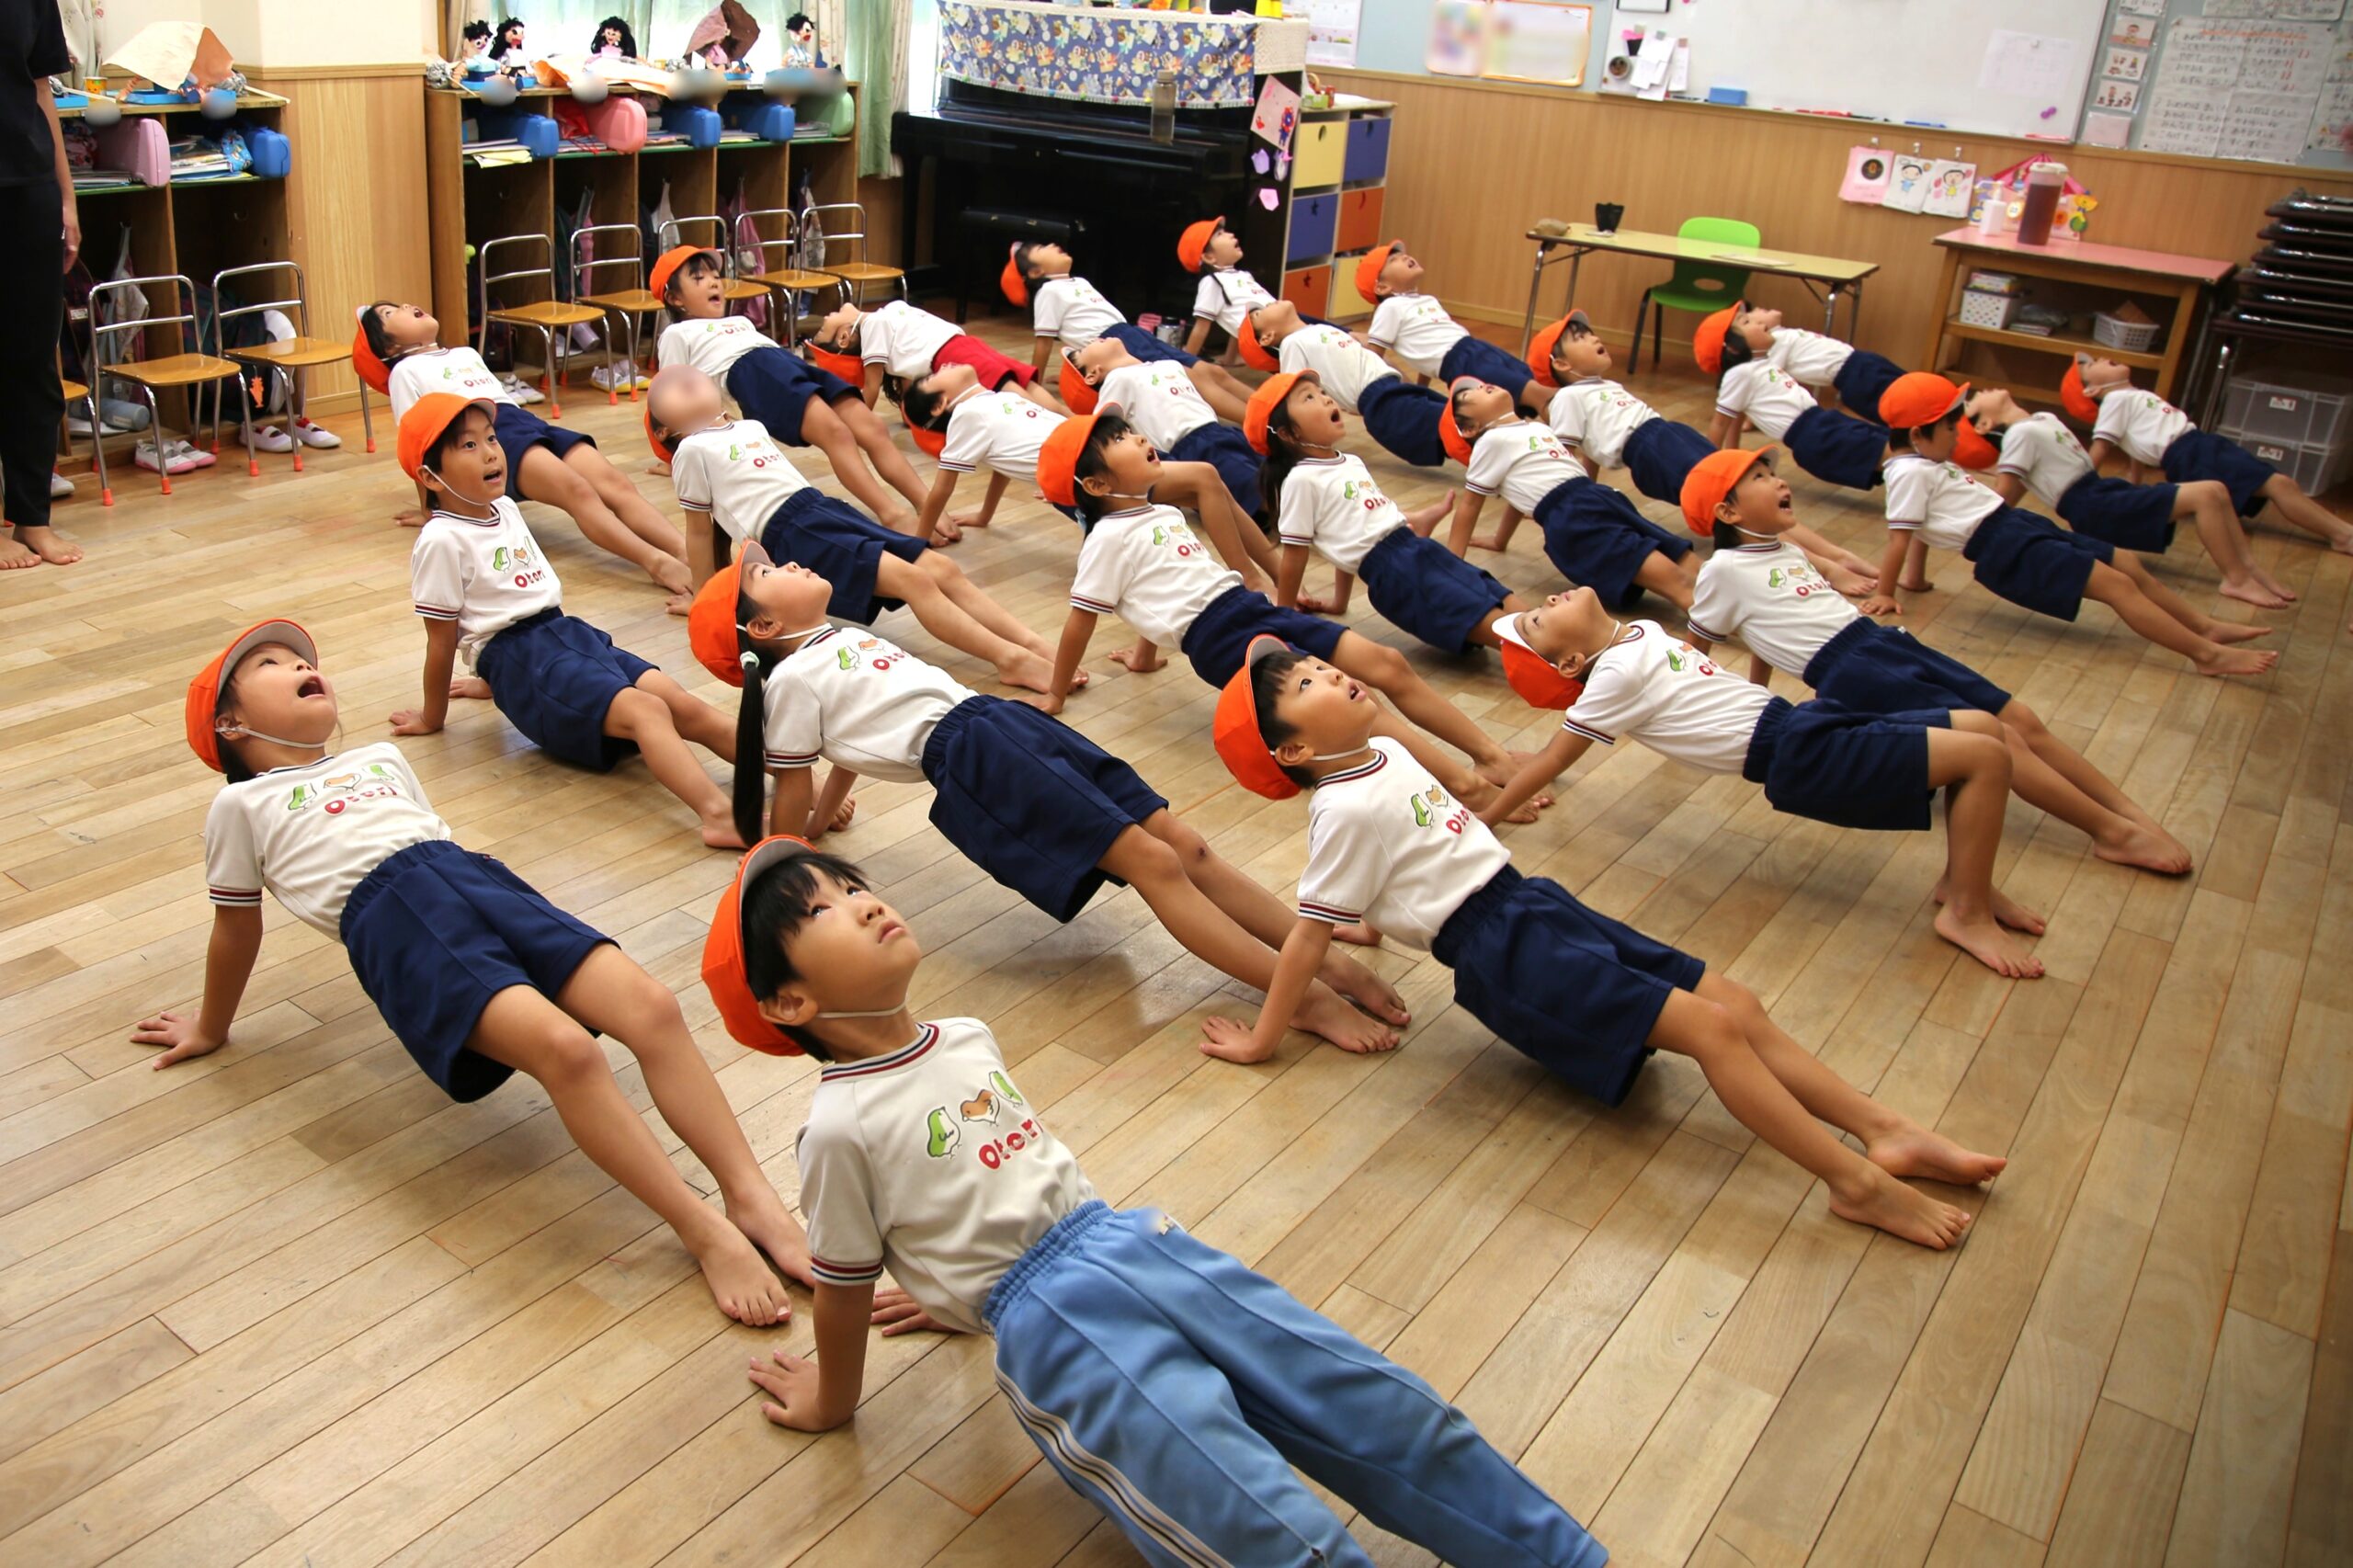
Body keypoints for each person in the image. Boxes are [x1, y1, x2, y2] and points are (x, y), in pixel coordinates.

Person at [700, 836, 1608, 1567]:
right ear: (789, 1002)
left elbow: (985, 1183)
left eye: (852, 884)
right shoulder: (837, 1127)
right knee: (1241, 1507)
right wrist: (837, 1395)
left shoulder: (966, 1035)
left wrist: (950, 1288)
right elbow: (845, 1280)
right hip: (1058, 1328)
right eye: (819, 910)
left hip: (1135, 1244)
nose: (862, 901)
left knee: (1373, 1401)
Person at [1207, 638, 2003, 1245]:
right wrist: (1265, 1038)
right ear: (1295, 753)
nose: (1327, 670)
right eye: (1305, 685)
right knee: (1713, 1029)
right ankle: (1853, 1183)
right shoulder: (1339, 809)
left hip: (1530, 905)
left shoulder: (1381, 753)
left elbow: (1403, 858)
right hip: (1505, 950)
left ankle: (1884, 1130)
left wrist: (1377, 916)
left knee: (1735, 1001)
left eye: (1314, 664)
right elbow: (1308, 937)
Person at [131, 619, 813, 1325]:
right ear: (230, 724)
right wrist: (210, 1027)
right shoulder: (238, 805)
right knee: (568, 1052)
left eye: (303, 658)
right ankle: (702, 1230)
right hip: (395, 918)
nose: (303, 666)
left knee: (653, 1007)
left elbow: (430, 839)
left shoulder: (379, 758)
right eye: (271, 664)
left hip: (474, 878)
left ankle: (751, 1196)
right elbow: (236, 927)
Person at [690, 540, 1414, 1054]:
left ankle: (1322, 963)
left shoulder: (833, 642)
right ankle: (1307, 1001)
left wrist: (823, 819)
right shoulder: (788, 684)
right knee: (1156, 865)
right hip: (975, 755)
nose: (788, 562)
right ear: (763, 628)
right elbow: (797, 778)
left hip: (1000, 721)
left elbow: (844, 750)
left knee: (1186, 846)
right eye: (768, 572)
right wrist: (795, 855)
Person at [1479, 584, 2047, 978]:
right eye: (1538, 622)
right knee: (1984, 758)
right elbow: (1556, 758)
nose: (1545, 601)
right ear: (1571, 664)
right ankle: (1966, 912)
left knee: (1982, 727)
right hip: (1798, 755)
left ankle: (1965, 882)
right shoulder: (1612, 678)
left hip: (1800, 723)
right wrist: (1487, 819)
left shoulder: (1641, 632)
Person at [1680, 446, 2190, 876]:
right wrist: (1709, 704)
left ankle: (2127, 813)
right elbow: (1699, 645)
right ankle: (2110, 832)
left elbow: (1762, 633)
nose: (1779, 481)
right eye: (1760, 479)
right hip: (1854, 670)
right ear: (1728, 513)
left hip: (1884, 644)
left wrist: (1761, 684)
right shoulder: (1721, 571)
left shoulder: (1786, 551)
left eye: (1772, 473)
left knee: (2022, 719)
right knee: (2000, 737)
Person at [1038, 408, 1545, 816]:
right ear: (1096, 485)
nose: (1138, 437)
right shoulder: (1103, 542)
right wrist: (1057, 693)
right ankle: (1465, 788)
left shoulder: (1162, 511)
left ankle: (1491, 758)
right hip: (1221, 638)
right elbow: (1083, 619)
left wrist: (1145, 655)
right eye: (1119, 439)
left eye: (1130, 429)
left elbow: (1156, 590)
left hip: (1249, 610)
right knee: (1355, 699)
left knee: (1388, 663)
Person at [392, 395, 745, 847]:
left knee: (681, 702)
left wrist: (488, 680)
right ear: (429, 477)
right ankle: (717, 815)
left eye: (492, 439)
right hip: (525, 660)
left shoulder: (507, 509)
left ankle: (796, 781)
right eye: (468, 445)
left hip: (567, 635)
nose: (491, 453)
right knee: (648, 710)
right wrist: (432, 716)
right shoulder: (440, 540)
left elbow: (499, 601)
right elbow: (442, 641)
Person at [646, 365, 1072, 694]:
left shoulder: (750, 427)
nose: (683, 377)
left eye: (690, 375)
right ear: (665, 430)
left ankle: (1031, 643)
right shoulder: (690, 451)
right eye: (668, 386)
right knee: (914, 581)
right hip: (792, 530)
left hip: (823, 509)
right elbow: (702, 531)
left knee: (943, 569)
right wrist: (707, 599)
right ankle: (1009, 659)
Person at [1870, 373, 2278, 679]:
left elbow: (1922, 526)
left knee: (2126, 563)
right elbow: (1900, 538)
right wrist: (1886, 593)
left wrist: (1915, 580)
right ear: (1918, 434)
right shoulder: (1908, 473)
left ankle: (2206, 628)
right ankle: (2206, 655)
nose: (1957, 437)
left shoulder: (1926, 464)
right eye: (1949, 428)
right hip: (2006, 547)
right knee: (2117, 587)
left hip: (2017, 525)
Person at [358, 301, 691, 605]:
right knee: (578, 491)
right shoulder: (405, 372)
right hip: (492, 437)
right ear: (390, 347)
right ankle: (657, 563)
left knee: (616, 483)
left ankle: (686, 551)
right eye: (389, 313)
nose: (405, 305)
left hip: (524, 421)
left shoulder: (466, 353)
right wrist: (431, 509)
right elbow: (417, 441)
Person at [1253, 370, 1529, 654]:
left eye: (1322, 392)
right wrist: (1286, 617)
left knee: (1493, 592)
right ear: (1288, 433)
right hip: (1395, 572)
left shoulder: (1350, 461)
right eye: (1309, 397)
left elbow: (1347, 530)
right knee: (1484, 620)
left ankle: (1553, 637)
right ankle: (1548, 654)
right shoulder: (1300, 480)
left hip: (1420, 549)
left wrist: (1339, 601)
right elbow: (1295, 555)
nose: (1326, 399)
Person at [652, 247, 926, 532]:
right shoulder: (675, 334)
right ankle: (892, 514)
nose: (713, 283)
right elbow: (668, 401)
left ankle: (927, 505)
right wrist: (674, 458)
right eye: (699, 278)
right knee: (837, 433)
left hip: (787, 364)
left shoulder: (740, 321)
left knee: (872, 427)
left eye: (716, 276)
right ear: (675, 299)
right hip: (755, 373)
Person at [1963, 384, 2292, 609]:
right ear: (1984, 424)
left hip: (2100, 491)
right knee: (2206, 494)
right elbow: (2006, 493)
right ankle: (2236, 579)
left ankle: (2248, 569)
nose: (1981, 391)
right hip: (2092, 505)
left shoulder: (2041, 420)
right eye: (1974, 401)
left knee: (2216, 490)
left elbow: (2021, 485)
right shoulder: (2019, 435)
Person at [897, 361, 1264, 552]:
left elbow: (1000, 463)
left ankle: (1270, 576)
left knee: (1206, 488)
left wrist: (984, 514)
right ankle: (1253, 578)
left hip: (1099, 451)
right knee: (1203, 480)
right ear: (941, 404)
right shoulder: (965, 416)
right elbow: (942, 489)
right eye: (935, 376)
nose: (944, 366)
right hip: (1090, 468)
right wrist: (921, 541)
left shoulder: (995, 401)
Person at [1437, 377, 1699, 612]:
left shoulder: (1538, 428)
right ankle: (1712, 622)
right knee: (1676, 580)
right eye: (1469, 395)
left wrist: (1499, 539)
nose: (1482, 386)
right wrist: (1453, 566)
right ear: (1469, 429)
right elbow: (1470, 506)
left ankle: (1719, 599)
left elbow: (1516, 498)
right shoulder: (1489, 442)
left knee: (1680, 555)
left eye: (1481, 384)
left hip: (1599, 498)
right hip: (1574, 518)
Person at [2067, 353, 2353, 558]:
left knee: (2278, 485)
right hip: (2192, 453)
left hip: (2200, 446)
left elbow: (2134, 444)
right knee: (2279, 485)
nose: (2102, 358)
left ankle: (2342, 533)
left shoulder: (2130, 397)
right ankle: (2343, 535)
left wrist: (2134, 479)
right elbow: (2102, 444)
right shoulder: (2115, 400)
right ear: (2092, 390)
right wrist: (2084, 484)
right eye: (2092, 365)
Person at [2, 5, 82, 570]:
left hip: (27, 190)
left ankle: (32, 518)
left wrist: (67, 198)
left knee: (32, 361)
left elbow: (40, 89)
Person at [1003, 239, 1251, 422]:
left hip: (1132, 335)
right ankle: (1257, 423)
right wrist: (1035, 384)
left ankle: (1264, 406)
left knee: (1211, 371)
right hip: (1116, 342)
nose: (1052, 245)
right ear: (1036, 272)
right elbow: (1044, 342)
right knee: (1190, 378)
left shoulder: (1079, 281)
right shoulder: (1047, 292)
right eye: (1042, 248)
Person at [1068, 333, 1267, 517]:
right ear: (1092, 374)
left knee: (1272, 473)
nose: (1094, 339)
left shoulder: (1170, 365)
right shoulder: (1117, 378)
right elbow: (1100, 430)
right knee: (1253, 486)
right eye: (1083, 349)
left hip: (1222, 432)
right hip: (1194, 448)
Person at [1243, 300, 1449, 468]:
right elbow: (1291, 393)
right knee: (1456, 422)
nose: (1268, 304)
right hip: (1381, 401)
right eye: (1259, 314)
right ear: (1267, 337)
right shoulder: (1292, 343)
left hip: (1394, 391)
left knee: (1454, 417)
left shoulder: (1320, 328)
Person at [1359, 241, 1548, 411]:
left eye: (1403, 255)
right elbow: (1375, 355)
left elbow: (1426, 350)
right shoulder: (1390, 307)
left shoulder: (1428, 300)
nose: (1405, 257)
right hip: (1460, 362)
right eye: (1394, 260)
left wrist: (1421, 389)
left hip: (1476, 347)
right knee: (1536, 394)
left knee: (1525, 382)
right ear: (1382, 287)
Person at [813, 297, 1060, 413]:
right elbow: (871, 387)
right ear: (844, 338)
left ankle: (1070, 422)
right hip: (951, 352)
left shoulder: (885, 312)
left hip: (959, 345)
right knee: (1010, 386)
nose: (825, 317)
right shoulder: (872, 326)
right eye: (824, 329)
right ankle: (1054, 425)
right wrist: (859, 424)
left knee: (1016, 381)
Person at [1695, 300, 1908, 426]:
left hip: (1863, 362)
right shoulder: (1774, 345)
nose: (1759, 309)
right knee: (1899, 408)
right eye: (1748, 319)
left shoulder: (1779, 335)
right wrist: (1751, 417)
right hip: (1855, 376)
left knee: (1908, 388)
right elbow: (1768, 378)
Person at [1176, 214, 1279, 362]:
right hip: (1273, 335)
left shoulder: (1244, 275)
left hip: (1283, 320)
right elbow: (1201, 328)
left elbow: (1238, 320)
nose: (1230, 235)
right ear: (1209, 257)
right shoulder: (1213, 282)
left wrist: (1230, 359)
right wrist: (1187, 363)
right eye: (1220, 234)